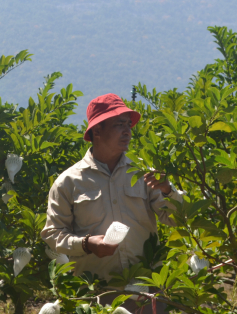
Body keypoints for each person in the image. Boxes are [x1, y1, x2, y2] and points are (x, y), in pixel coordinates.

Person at [41, 93, 182, 313]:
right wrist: (87, 244)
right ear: (97, 131)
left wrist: (168, 190)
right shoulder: (68, 182)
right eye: (119, 124)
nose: (127, 131)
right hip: (97, 294)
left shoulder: (143, 174)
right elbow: (52, 234)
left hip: (145, 288)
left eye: (128, 124)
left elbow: (176, 219)